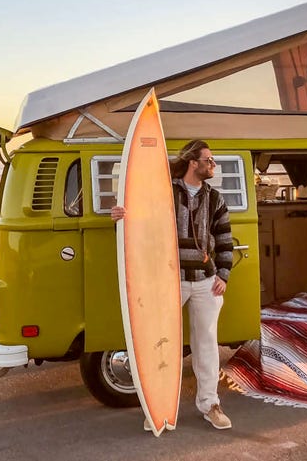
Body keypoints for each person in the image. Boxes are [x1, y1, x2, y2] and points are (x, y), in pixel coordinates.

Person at [111, 139, 234, 430]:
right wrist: (119, 216)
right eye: (209, 160)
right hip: (170, 280)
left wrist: (223, 275)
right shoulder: (166, 192)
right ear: (194, 163)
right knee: (159, 342)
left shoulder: (215, 198)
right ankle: (157, 407)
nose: (213, 165)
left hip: (205, 281)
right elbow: (142, 220)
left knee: (206, 345)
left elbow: (225, 238)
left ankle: (210, 405)